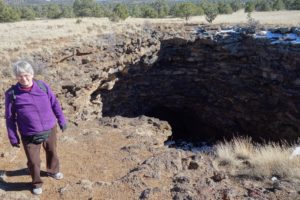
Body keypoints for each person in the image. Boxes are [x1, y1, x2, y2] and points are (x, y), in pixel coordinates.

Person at [5, 60, 67, 195]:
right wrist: (13, 136)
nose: (24, 78)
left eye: (26, 74)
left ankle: (53, 171)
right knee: (33, 161)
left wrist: (61, 119)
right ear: (16, 77)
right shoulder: (12, 94)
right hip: (29, 133)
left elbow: (54, 103)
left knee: (52, 151)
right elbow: (10, 118)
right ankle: (36, 182)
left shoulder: (42, 86)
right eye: (20, 75)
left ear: (32, 74)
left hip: (50, 128)